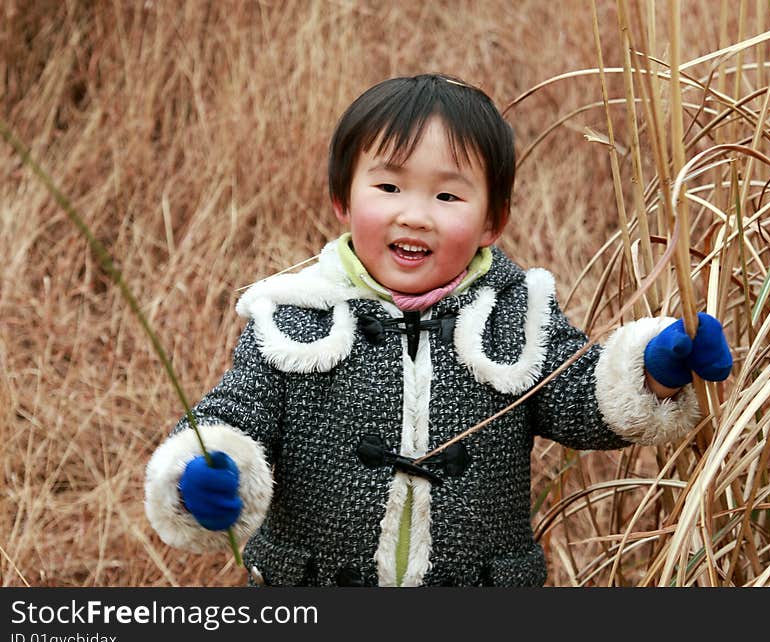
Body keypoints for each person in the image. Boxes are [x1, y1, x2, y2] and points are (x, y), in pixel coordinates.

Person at [144, 73, 733, 587]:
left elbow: (578, 395)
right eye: (388, 186)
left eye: (448, 194)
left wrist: (654, 368)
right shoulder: (294, 316)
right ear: (342, 201)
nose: (415, 213)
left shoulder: (515, 315)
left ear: (491, 222)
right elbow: (235, 413)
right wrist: (205, 468)